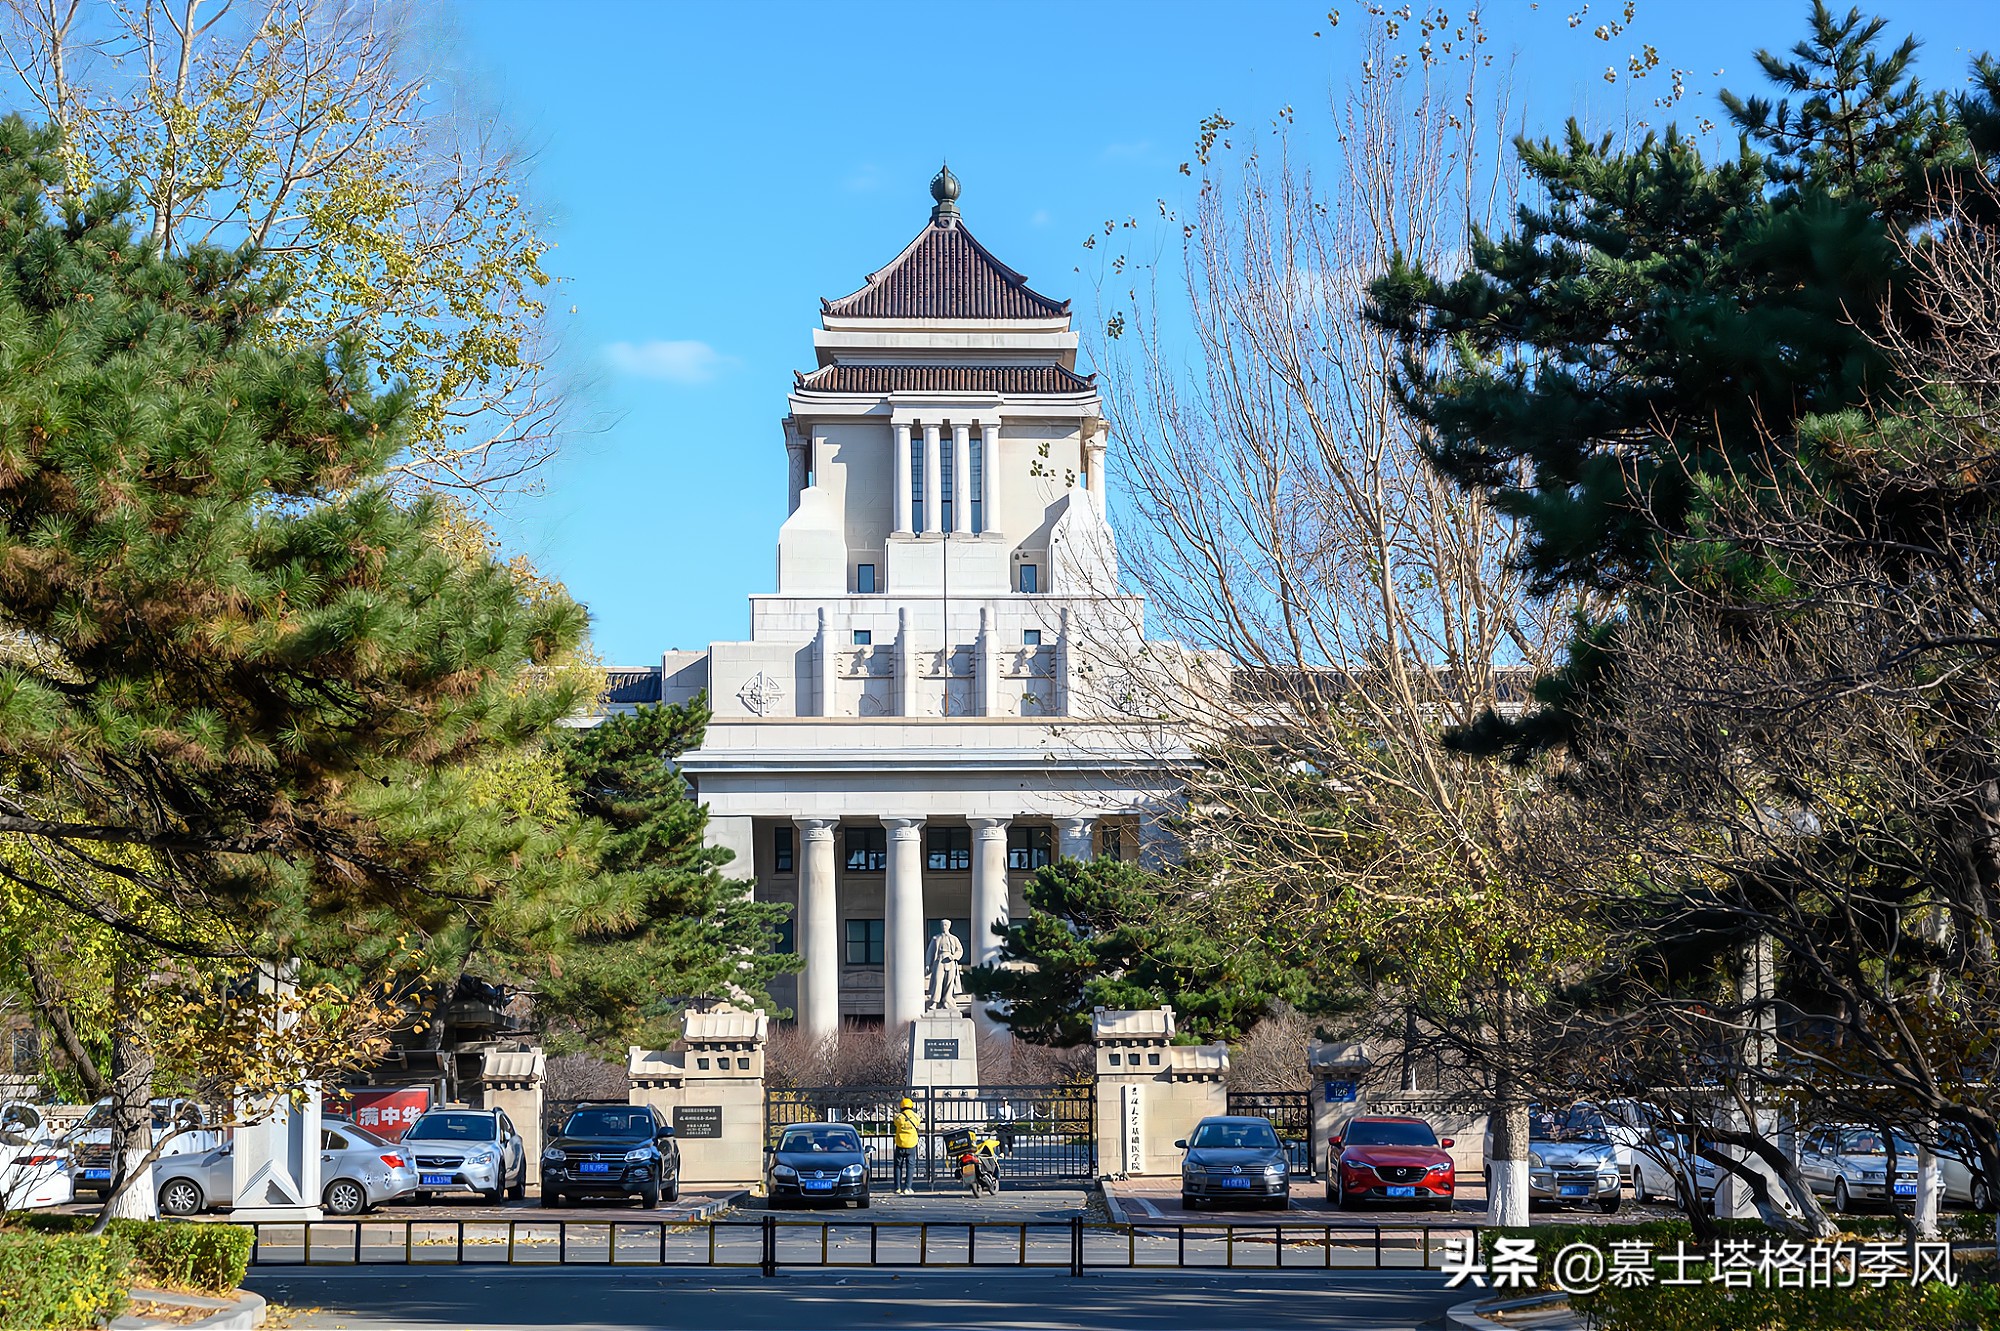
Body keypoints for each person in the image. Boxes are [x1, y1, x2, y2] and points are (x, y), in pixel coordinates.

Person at [893, 1096, 922, 1195]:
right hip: (911, 1144)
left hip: (900, 1144)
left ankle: (897, 1188)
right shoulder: (915, 1116)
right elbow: (918, 1123)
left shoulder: (898, 1117)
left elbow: (895, 1122)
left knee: (898, 1166)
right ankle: (907, 1188)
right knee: (910, 1166)